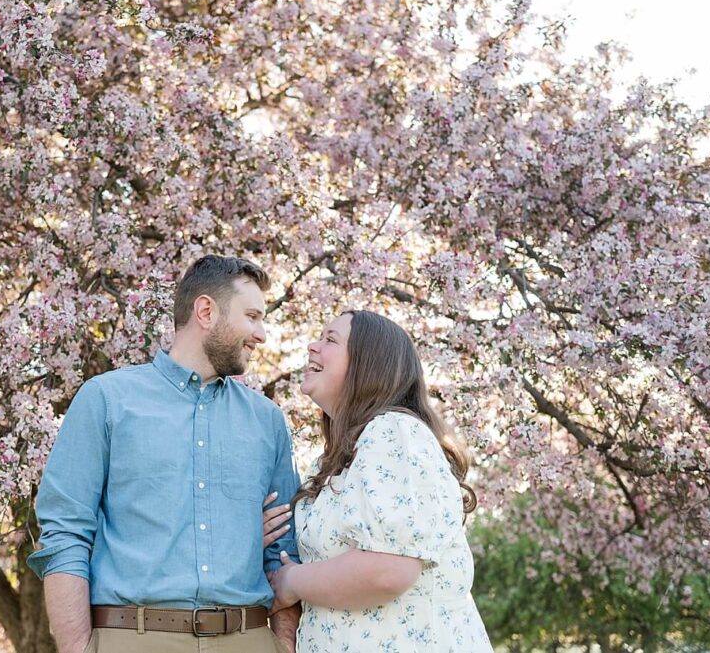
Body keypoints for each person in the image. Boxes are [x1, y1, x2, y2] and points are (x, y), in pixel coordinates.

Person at [28, 255, 303, 653]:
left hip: (249, 639)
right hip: (131, 639)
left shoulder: (268, 420)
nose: (261, 335)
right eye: (252, 317)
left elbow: (283, 550)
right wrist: (76, 648)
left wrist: (283, 645)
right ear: (206, 311)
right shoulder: (106, 400)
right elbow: (65, 532)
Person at [263, 311, 493, 652]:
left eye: (330, 340)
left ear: (367, 364)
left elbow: (388, 570)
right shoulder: (328, 464)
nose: (312, 346)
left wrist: (291, 581)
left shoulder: (393, 432)